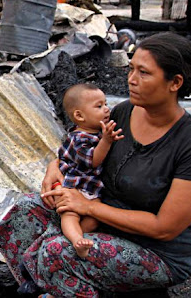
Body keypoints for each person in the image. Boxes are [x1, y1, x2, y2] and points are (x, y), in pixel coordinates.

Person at [0, 33, 191, 297]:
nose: (131, 79)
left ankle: (69, 282)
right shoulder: (123, 113)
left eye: (144, 73)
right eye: (131, 68)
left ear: (175, 83)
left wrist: (88, 206)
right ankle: (44, 283)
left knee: (58, 251)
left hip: (159, 250)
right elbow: (83, 150)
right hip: (105, 218)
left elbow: (164, 228)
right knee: (27, 210)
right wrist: (56, 165)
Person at [49, 83, 124, 260]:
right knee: (70, 215)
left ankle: (75, 239)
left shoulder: (96, 133)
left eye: (106, 104)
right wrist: (106, 141)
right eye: (99, 106)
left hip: (92, 190)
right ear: (79, 115)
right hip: (74, 188)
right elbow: (93, 160)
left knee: (94, 220)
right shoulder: (79, 138)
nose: (106, 110)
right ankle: (75, 239)